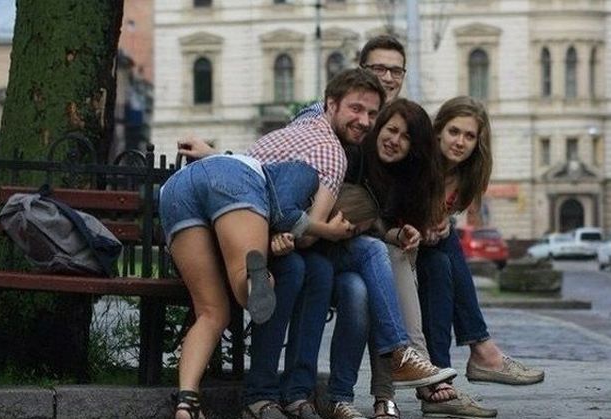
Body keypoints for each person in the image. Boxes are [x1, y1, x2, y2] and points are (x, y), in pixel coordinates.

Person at [179, 68, 451, 419]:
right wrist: (215, 154)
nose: (369, 123)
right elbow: (261, 169)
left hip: (321, 247)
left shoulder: (397, 175)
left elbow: (261, 171)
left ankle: (325, 395)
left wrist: (393, 233)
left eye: (372, 113)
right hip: (297, 239)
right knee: (313, 266)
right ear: (332, 105)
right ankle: (394, 354)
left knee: (350, 281)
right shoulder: (339, 150)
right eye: (388, 127)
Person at [317, 99, 497, 419]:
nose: (395, 140)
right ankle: (410, 365)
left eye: (406, 137)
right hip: (328, 249)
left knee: (368, 286)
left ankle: (372, 398)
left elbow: (381, 227)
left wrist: (401, 233)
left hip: (366, 261)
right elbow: (348, 216)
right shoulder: (355, 157)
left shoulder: (405, 178)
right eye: (391, 130)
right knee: (382, 262)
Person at [160, 154, 356, 419]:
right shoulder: (306, 172)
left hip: (175, 191)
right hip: (233, 180)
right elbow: (286, 214)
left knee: (211, 313)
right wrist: (327, 230)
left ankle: (187, 402)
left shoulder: (263, 166)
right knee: (247, 278)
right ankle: (254, 277)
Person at [417, 96, 545, 393]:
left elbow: (441, 219)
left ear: (478, 142)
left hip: (428, 252)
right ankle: (479, 351)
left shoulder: (465, 175)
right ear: (438, 131)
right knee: (445, 251)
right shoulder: (419, 163)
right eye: (454, 131)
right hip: (396, 247)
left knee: (441, 259)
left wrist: (441, 225)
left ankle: (442, 378)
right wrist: (424, 225)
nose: (460, 142)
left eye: (469, 136)